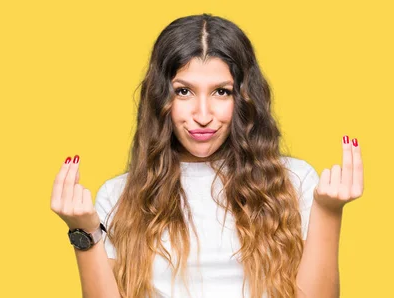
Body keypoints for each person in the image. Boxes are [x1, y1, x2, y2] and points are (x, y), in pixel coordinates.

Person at [50, 13, 364, 298]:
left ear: (244, 98)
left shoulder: (294, 181)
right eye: (183, 91)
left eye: (221, 91)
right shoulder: (118, 195)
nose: (202, 115)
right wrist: (84, 232)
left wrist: (328, 210)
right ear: (162, 98)